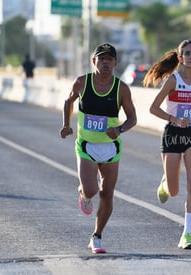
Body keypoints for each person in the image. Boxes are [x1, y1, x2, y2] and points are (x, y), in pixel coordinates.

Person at [59, 43, 137, 253]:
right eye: (101, 59)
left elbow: (132, 118)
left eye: (109, 59)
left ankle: (97, 236)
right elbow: (69, 101)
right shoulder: (82, 82)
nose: (105, 63)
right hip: (87, 145)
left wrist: (119, 130)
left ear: (115, 63)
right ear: (93, 61)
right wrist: (66, 125)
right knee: (92, 190)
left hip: (111, 147)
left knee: (107, 193)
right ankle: (84, 192)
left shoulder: (121, 88)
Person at [143, 39, 191, 249]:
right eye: (187, 53)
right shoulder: (173, 80)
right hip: (173, 134)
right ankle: (166, 184)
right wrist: (174, 119)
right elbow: (153, 108)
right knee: (174, 190)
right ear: (180, 58)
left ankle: (187, 234)